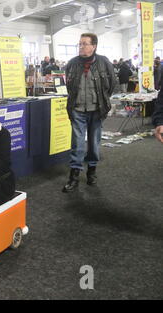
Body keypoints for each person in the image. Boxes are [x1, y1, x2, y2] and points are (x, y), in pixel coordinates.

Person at [62, 33, 116, 193]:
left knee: (94, 143)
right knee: (77, 144)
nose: (81, 47)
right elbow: (69, 87)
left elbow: (112, 84)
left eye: (85, 44)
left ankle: (92, 172)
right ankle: (74, 177)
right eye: (79, 44)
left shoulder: (104, 62)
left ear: (94, 46)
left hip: (97, 111)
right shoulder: (71, 64)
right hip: (77, 110)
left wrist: (103, 101)